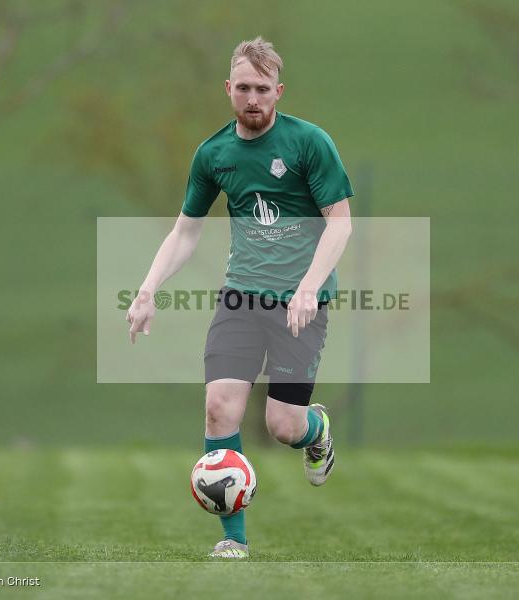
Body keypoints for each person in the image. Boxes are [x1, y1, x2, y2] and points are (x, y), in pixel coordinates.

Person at [127, 36, 353, 559]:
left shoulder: (309, 143)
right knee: (218, 408)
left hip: (301, 303)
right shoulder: (213, 154)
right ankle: (233, 540)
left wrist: (308, 287)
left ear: (279, 92)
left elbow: (340, 224)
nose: (253, 99)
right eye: (244, 88)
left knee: (282, 426)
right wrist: (147, 290)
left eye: (263, 90)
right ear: (228, 88)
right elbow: (185, 231)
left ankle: (316, 429)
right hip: (241, 298)